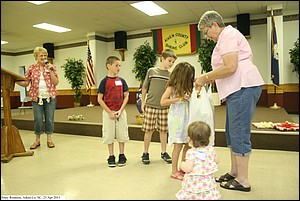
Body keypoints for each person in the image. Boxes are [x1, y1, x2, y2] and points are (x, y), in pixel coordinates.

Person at [195, 11, 264, 192]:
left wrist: (205, 77)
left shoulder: (228, 34)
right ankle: (235, 172)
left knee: (239, 133)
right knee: (232, 133)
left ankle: (243, 180)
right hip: (236, 89)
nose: (207, 36)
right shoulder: (224, 38)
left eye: (206, 31)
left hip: (243, 87)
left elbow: (231, 67)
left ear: (215, 25)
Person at [16, 47, 59, 149]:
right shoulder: (31, 68)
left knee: (49, 118)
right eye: (41, 56)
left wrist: (51, 71)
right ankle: (37, 140)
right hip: (36, 97)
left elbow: (56, 83)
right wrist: (15, 81)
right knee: (38, 119)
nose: (43, 57)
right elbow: (26, 83)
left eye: (45, 55)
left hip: (50, 97)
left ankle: (49, 140)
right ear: (36, 57)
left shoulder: (52, 67)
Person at [141, 49, 177, 165]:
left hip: (164, 108)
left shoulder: (170, 75)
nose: (171, 64)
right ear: (162, 58)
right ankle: (145, 152)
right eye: (169, 61)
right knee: (148, 130)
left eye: (173, 62)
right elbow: (145, 87)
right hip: (150, 105)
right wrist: (143, 102)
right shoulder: (151, 71)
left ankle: (164, 152)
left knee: (163, 131)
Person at [160, 62, 195, 180]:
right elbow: (163, 102)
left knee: (188, 144)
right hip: (176, 120)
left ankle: (183, 167)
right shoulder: (172, 88)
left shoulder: (189, 88)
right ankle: (174, 171)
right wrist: (179, 98)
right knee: (178, 146)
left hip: (187, 118)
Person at [175, 121, 221, 200]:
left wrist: (182, 164)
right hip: (207, 184)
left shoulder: (191, 153)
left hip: (194, 185)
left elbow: (188, 168)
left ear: (189, 139)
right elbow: (217, 161)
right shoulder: (210, 149)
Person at [97, 56, 129, 168]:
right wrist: (109, 112)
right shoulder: (104, 82)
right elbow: (99, 99)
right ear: (109, 66)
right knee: (109, 134)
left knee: (122, 134)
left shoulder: (122, 81)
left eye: (120, 65)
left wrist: (121, 110)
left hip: (120, 112)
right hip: (108, 112)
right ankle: (111, 156)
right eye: (116, 65)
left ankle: (122, 155)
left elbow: (126, 96)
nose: (118, 68)